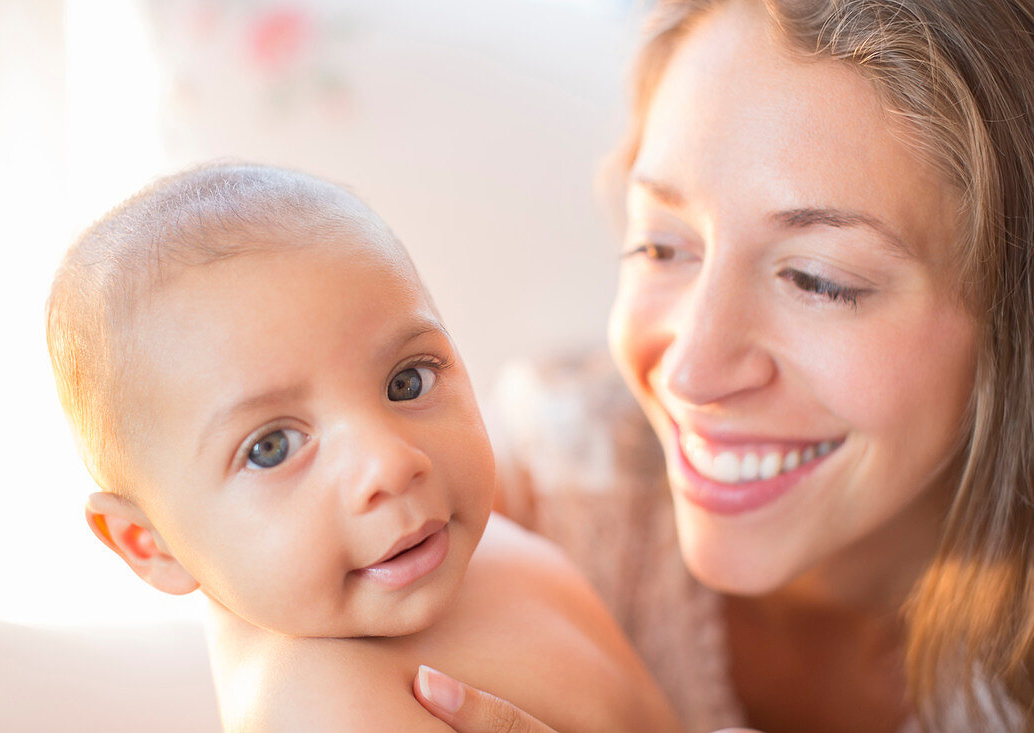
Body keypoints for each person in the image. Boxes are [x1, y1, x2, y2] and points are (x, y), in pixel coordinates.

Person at [412, 0, 1034, 731]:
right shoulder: (563, 485)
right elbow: (269, 620)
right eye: (661, 246)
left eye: (818, 280)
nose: (689, 372)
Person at [44, 163, 677, 732]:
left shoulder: (460, 541)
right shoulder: (324, 708)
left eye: (408, 381)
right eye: (272, 447)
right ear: (148, 542)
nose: (392, 462)